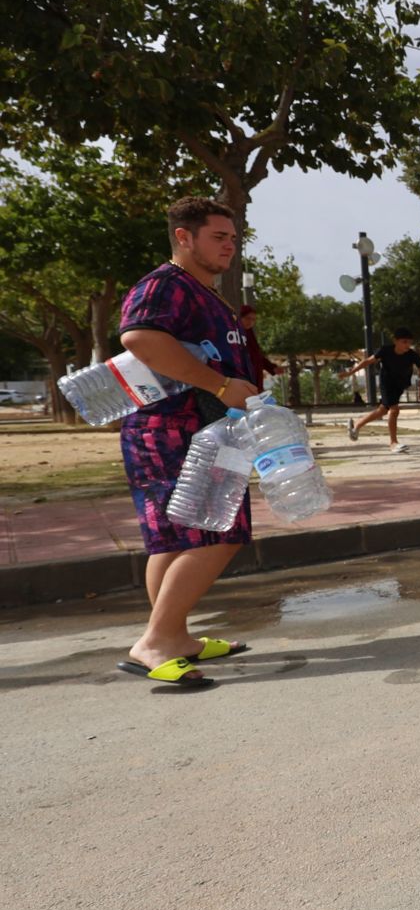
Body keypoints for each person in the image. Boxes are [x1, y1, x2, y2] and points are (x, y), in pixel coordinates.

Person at [113, 197, 261, 689]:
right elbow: (140, 339)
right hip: (175, 430)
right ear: (184, 237)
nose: (229, 247)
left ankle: (173, 636)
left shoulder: (209, 296)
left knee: (173, 541)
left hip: (203, 428)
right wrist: (220, 387)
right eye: (218, 237)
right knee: (221, 533)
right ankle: (154, 643)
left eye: (233, 238)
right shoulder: (164, 285)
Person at [341, 328, 420, 453]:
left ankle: (357, 426)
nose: (407, 345)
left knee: (382, 410)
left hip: (400, 384)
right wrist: (350, 372)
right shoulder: (385, 350)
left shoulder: (412, 355)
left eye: (409, 342)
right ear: (396, 341)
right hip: (387, 382)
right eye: (404, 342)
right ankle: (393, 443)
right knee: (394, 409)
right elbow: (367, 361)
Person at [236, 305, 282, 386]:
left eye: (253, 320)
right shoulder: (235, 335)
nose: (250, 322)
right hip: (242, 380)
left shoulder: (250, 336)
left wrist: (272, 368)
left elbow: (257, 357)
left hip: (254, 381)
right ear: (240, 318)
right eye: (248, 318)